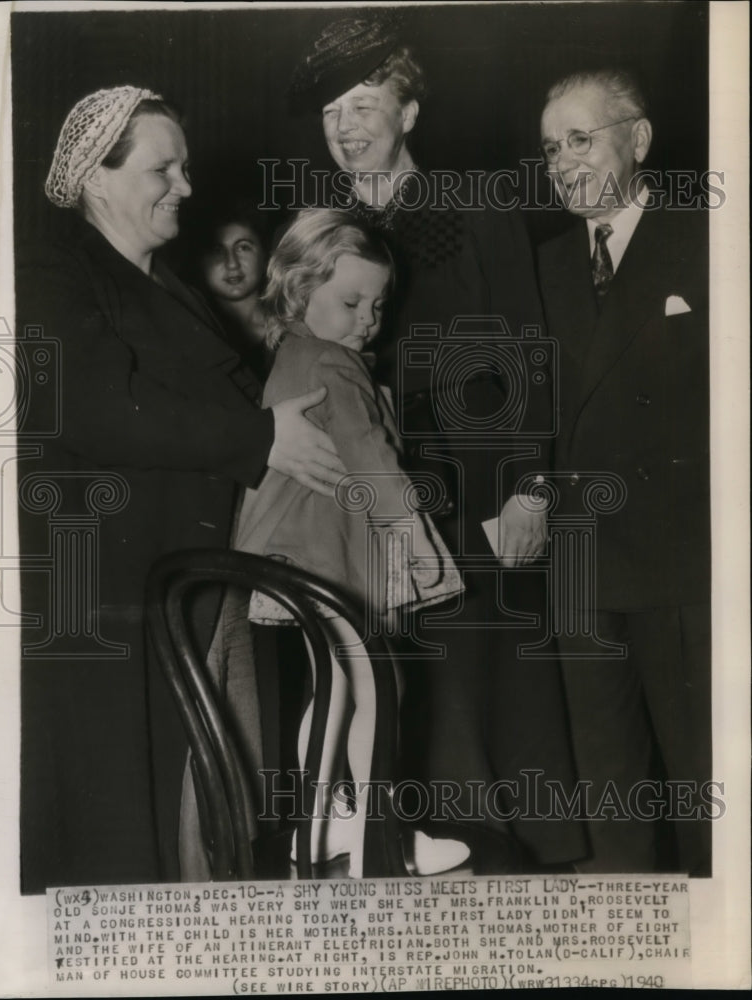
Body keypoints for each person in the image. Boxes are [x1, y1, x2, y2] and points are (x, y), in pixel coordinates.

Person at [16, 86, 345, 891]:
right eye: (164, 167)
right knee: (147, 828)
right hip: (118, 603)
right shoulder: (53, 271)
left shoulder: (172, 287)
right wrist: (264, 437)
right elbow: (90, 410)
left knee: (223, 814)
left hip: (204, 584)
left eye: (186, 166)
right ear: (99, 178)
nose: (187, 186)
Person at [288, 12, 585, 869]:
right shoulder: (323, 229)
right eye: (331, 111)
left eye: (364, 103)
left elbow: (530, 354)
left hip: (483, 489)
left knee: (489, 698)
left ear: (409, 113)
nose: (346, 127)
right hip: (374, 496)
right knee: (396, 699)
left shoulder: (478, 207)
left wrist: (533, 488)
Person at [223, 209, 469, 877]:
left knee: (333, 690)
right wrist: (414, 544)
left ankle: (321, 830)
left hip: (295, 558)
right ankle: (380, 842)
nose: (369, 318)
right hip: (329, 557)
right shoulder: (336, 364)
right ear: (299, 292)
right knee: (378, 689)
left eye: (378, 304)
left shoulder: (295, 354)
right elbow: (373, 461)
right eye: (351, 301)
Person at [537, 69, 711, 874]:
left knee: (700, 775)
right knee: (609, 784)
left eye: (581, 138)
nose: (563, 161)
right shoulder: (540, 269)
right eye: (550, 148)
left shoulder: (708, 239)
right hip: (581, 562)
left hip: (686, 561)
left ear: (637, 140)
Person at [187, 201, 273, 381]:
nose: (232, 263)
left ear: (265, 255)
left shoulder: (292, 323)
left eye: (243, 247)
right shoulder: (198, 334)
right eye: (217, 250)